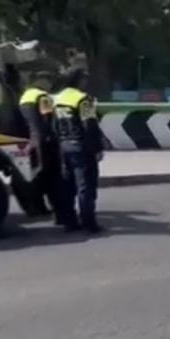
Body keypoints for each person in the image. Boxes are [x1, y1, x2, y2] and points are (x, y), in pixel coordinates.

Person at [20, 71, 78, 230]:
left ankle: (36, 207)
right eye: (47, 80)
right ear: (39, 80)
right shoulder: (43, 97)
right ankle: (62, 216)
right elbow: (48, 120)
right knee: (55, 180)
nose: (49, 83)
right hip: (47, 142)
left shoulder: (25, 96)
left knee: (40, 175)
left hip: (34, 142)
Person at [52, 69, 105, 233]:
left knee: (67, 185)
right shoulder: (83, 99)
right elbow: (89, 125)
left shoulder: (57, 98)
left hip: (64, 145)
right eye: (84, 79)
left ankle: (70, 221)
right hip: (82, 147)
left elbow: (53, 125)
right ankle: (89, 222)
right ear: (79, 80)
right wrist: (97, 148)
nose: (86, 82)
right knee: (86, 186)